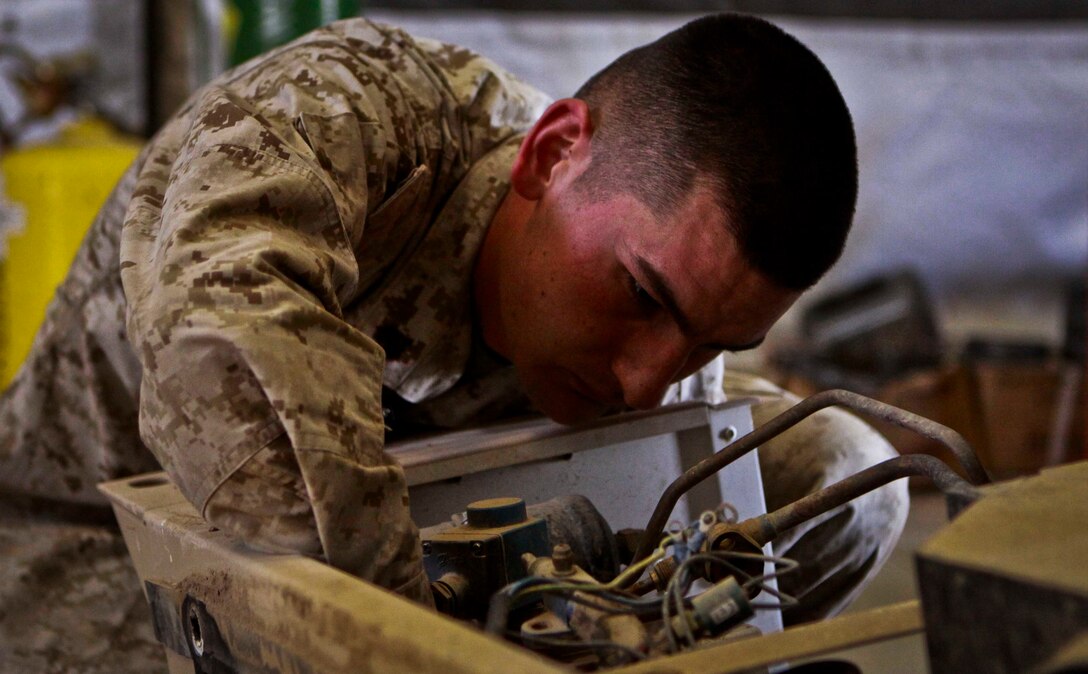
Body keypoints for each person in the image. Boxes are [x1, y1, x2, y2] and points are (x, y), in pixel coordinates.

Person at [0, 13, 906, 671]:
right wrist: (441, 647)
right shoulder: (334, 112)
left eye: (710, 342)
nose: (646, 382)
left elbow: (687, 461)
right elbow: (237, 368)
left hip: (427, 527)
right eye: (641, 295)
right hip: (96, 550)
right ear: (553, 155)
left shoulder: (635, 307)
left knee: (840, 472)